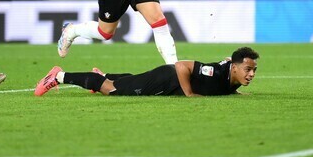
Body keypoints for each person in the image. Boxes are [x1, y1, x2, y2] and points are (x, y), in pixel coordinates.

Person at [35, 47, 259, 97]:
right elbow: (181, 65)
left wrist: (236, 93)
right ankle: (58, 76)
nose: (251, 75)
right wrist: (189, 94)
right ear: (236, 67)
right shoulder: (216, 73)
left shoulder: (234, 76)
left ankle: (106, 74)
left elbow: (229, 62)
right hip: (167, 78)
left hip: (167, 81)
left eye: (253, 71)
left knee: (132, 80)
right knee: (111, 90)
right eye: (248, 70)